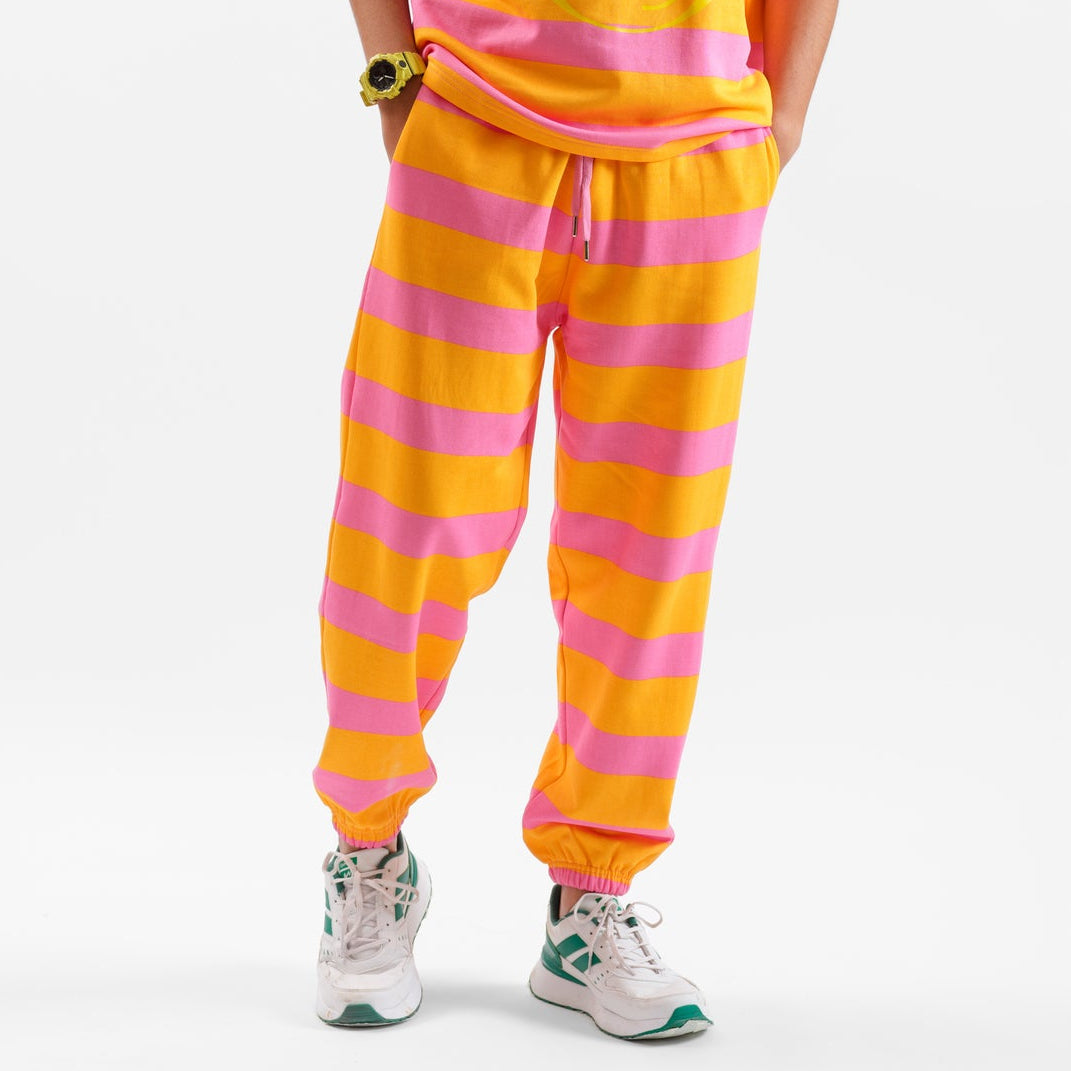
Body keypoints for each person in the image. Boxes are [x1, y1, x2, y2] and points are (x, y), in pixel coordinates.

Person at [312, 0, 838, 1040]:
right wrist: (392, 77)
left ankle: (590, 898)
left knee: (650, 554)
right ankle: (368, 853)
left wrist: (781, 124)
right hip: (475, 128)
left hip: (697, 156)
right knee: (403, 522)